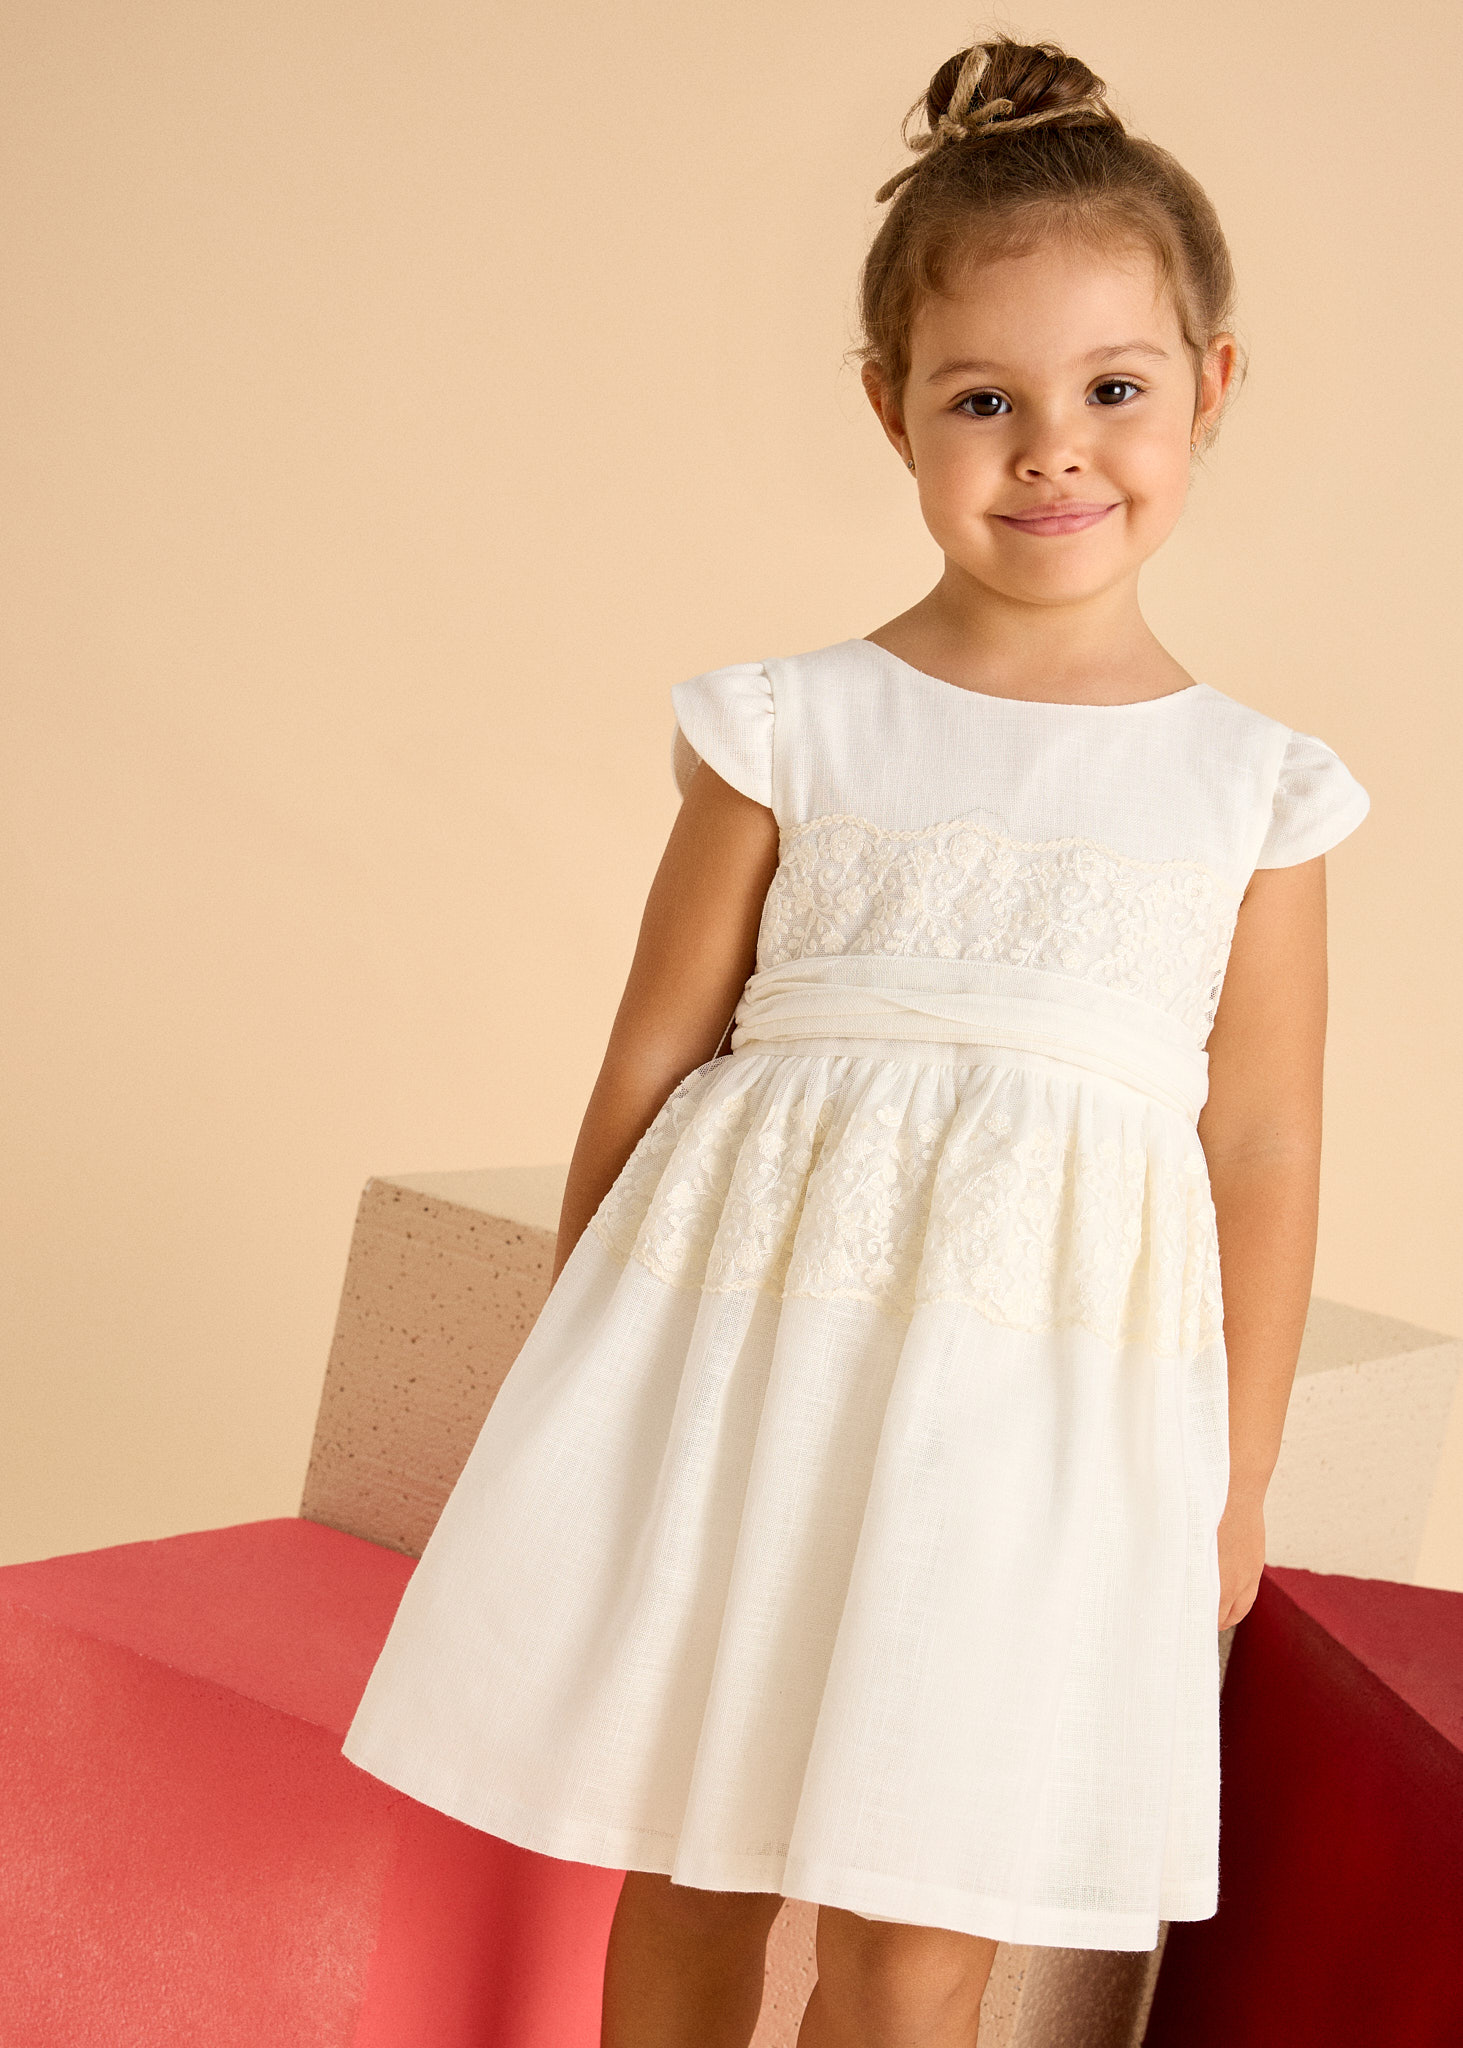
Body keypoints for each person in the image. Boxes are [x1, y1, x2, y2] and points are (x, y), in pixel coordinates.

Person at [342, 31, 1371, 2047]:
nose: (1053, 451)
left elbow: (1259, 1143)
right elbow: (652, 1059)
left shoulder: (1256, 793)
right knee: (696, 1859)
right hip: (759, 1374)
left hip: (1043, 1428)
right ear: (892, 405)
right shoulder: (791, 727)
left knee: (925, 1928)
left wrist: (1231, 1481)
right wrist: (591, 1376)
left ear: (1212, 386)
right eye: (985, 398)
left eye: (1114, 391)